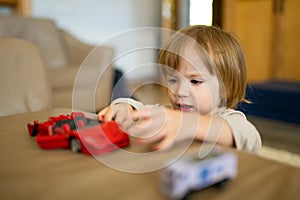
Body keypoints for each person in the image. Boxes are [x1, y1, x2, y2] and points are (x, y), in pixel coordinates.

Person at [98, 25, 262, 153]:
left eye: (195, 81)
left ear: (227, 88)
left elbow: (249, 137)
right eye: (173, 80)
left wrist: (190, 125)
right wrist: (125, 107)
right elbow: (140, 109)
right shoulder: (170, 113)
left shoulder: (230, 120)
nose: (180, 92)